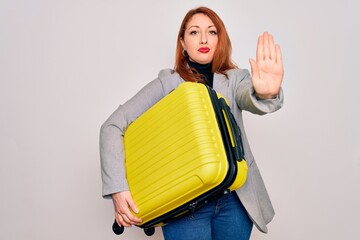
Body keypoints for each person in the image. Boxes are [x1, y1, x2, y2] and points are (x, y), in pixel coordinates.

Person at [100, 6, 284, 240]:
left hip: (235, 202)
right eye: (194, 32)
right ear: (183, 43)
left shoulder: (235, 79)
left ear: (221, 39)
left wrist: (266, 93)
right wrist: (118, 187)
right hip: (187, 203)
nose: (204, 39)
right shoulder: (167, 83)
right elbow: (112, 127)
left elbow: (250, 97)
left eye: (212, 32)